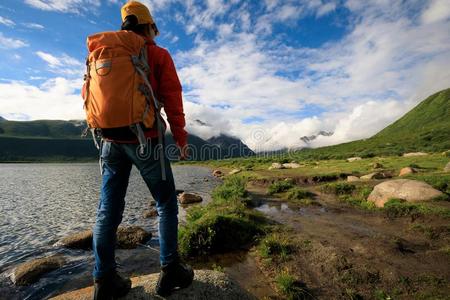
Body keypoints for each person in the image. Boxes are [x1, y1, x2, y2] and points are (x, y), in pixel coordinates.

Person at [91, 1, 193, 299]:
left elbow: (90, 96)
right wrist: (181, 140)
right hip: (146, 139)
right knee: (166, 204)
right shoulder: (157, 54)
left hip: (110, 141)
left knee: (107, 211)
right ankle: (171, 270)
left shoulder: (103, 53)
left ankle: (104, 279)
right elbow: (173, 99)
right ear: (149, 25)